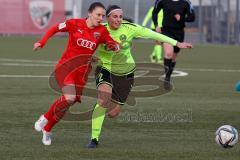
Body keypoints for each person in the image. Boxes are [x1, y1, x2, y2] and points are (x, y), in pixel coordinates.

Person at [87, 5, 193, 148]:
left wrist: (177, 43)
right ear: (107, 18)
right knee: (103, 100)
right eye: (115, 16)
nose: (118, 20)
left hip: (126, 73)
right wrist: (89, 57)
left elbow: (153, 34)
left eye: (120, 16)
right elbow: (83, 40)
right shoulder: (99, 29)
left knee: (113, 113)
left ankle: (104, 112)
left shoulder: (130, 28)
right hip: (105, 68)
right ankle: (94, 139)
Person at [33, 2, 120, 146]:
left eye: (102, 16)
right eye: (98, 14)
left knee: (67, 104)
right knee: (69, 97)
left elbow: (111, 42)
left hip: (81, 74)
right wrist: (42, 42)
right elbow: (55, 28)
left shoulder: (101, 31)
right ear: (90, 13)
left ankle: (47, 129)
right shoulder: (74, 23)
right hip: (65, 68)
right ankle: (45, 118)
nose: (100, 18)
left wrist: (115, 46)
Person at [152, 0, 195, 89]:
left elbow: (192, 17)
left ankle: (169, 75)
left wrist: (181, 18)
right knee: (168, 53)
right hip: (166, 31)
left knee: (174, 57)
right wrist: (156, 25)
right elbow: (154, 13)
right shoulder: (161, 1)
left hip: (179, 33)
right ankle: (167, 79)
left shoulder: (186, 3)